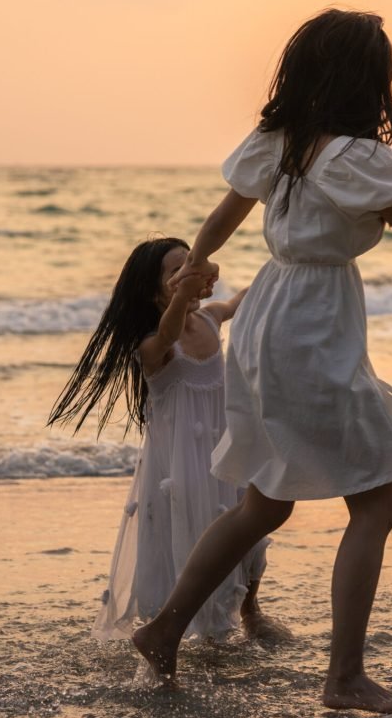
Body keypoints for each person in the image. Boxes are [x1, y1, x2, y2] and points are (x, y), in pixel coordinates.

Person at [130, 8, 392, 713]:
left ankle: (165, 629)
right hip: (314, 326)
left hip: (267, 320)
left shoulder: (279, 142)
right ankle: (343, 676)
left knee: (265, 501)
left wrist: (196, 265)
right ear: (367, 82)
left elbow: (222, 218)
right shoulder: (358, 159)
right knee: (376, 501)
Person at [47, 237, 272, 643]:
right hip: (181, 467)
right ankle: (189, 627)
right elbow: (168, 333)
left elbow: (240, 301)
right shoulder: (152, 345)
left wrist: (283, 265)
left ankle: (250, 609)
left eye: (193, 264)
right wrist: (185, 289)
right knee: (192, 537)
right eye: (177, 272)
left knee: (251, 529)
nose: (191, 274)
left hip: (226, 450)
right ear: (153, 291)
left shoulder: (209, 320)